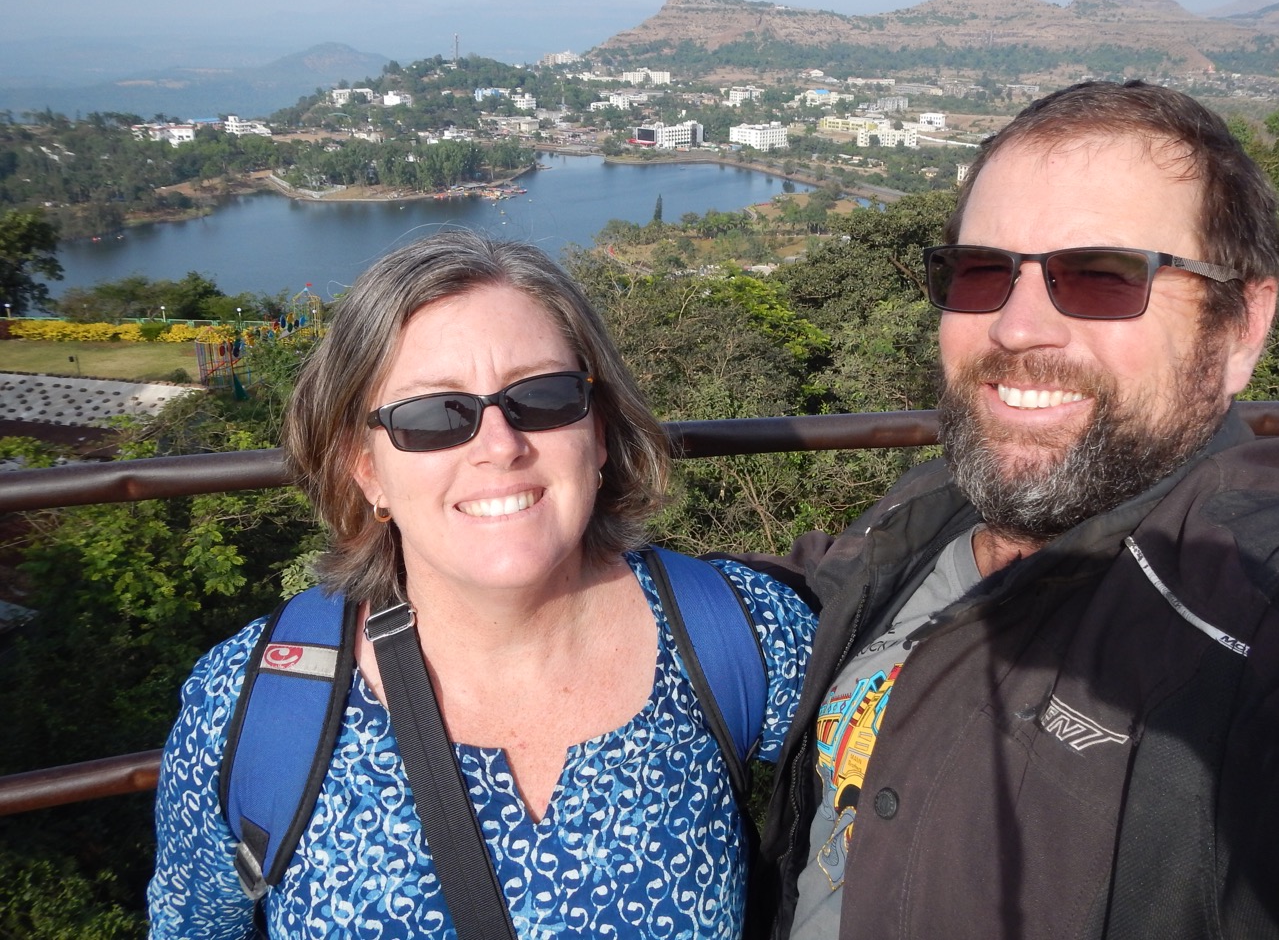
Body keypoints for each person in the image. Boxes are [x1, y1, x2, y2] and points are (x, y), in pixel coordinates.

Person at [751, 81, 1279, 939]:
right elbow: (808, 586)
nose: (1016, 328)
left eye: (1103, 277)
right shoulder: (937, 506)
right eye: (981, 272)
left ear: (1241, 326)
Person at [148, 231, 816, 939]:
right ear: (364, 468)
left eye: (544, 396)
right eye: (434, 415)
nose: (500, 446)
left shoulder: (737, 635)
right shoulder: (254, 706)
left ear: (597, 432)